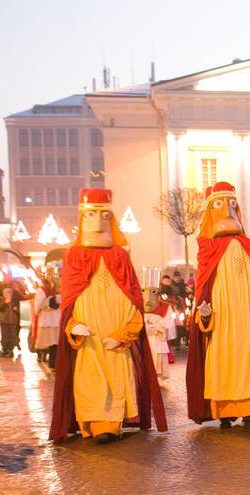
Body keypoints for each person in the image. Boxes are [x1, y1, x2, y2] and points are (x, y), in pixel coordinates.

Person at [49, 188, 167, 444]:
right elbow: (69, 300)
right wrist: (73, 326)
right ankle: (89, 423)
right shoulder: (74, 256)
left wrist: (124, 333)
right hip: (88, 339)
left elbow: (132, 295)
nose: (97, 221)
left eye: (103, 214)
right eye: (90, 214)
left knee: (114, 381)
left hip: (115, 339)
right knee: (88, 381)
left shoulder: (120, 256)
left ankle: (110, 426)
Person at [186, 181, 250, 432]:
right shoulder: (207, 249)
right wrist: (204, 315)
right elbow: (203, 286)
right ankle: (225, 413)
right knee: (224, 362)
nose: (227, 211)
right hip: (223, 323)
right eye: (219, 204)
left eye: (231, 204)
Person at [143, 284, 176, 382]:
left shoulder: (165, 306)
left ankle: (155, 377)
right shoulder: (139, 304)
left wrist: (156, 327)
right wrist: (145, 328)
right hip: (145, 336)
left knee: (158, 357)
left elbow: (168, 320)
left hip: (158, 335)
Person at [33, 267, 61, 369]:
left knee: (58, 344)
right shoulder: (42, 290)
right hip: (48, 320)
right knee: (52, 343)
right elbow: (37, 307)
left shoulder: (61, 288)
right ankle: (52, 363)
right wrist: (48, 303)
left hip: (59, 319)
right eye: (49, 274)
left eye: (53, 274)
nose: (51, 276)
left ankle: (56, 364)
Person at [0, 287, 22, 358]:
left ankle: (10, 350)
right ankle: (5, 350)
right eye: (6, 293)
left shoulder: (14, 301)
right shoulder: (2, 301)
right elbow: (0, 307)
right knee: (5, 336)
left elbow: (17, 310)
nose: (8, 294)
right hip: (4, 321)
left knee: (12, 336)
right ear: (4, 294)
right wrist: (5, 302)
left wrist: (16, 309)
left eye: (9, 293)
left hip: (13, 321)